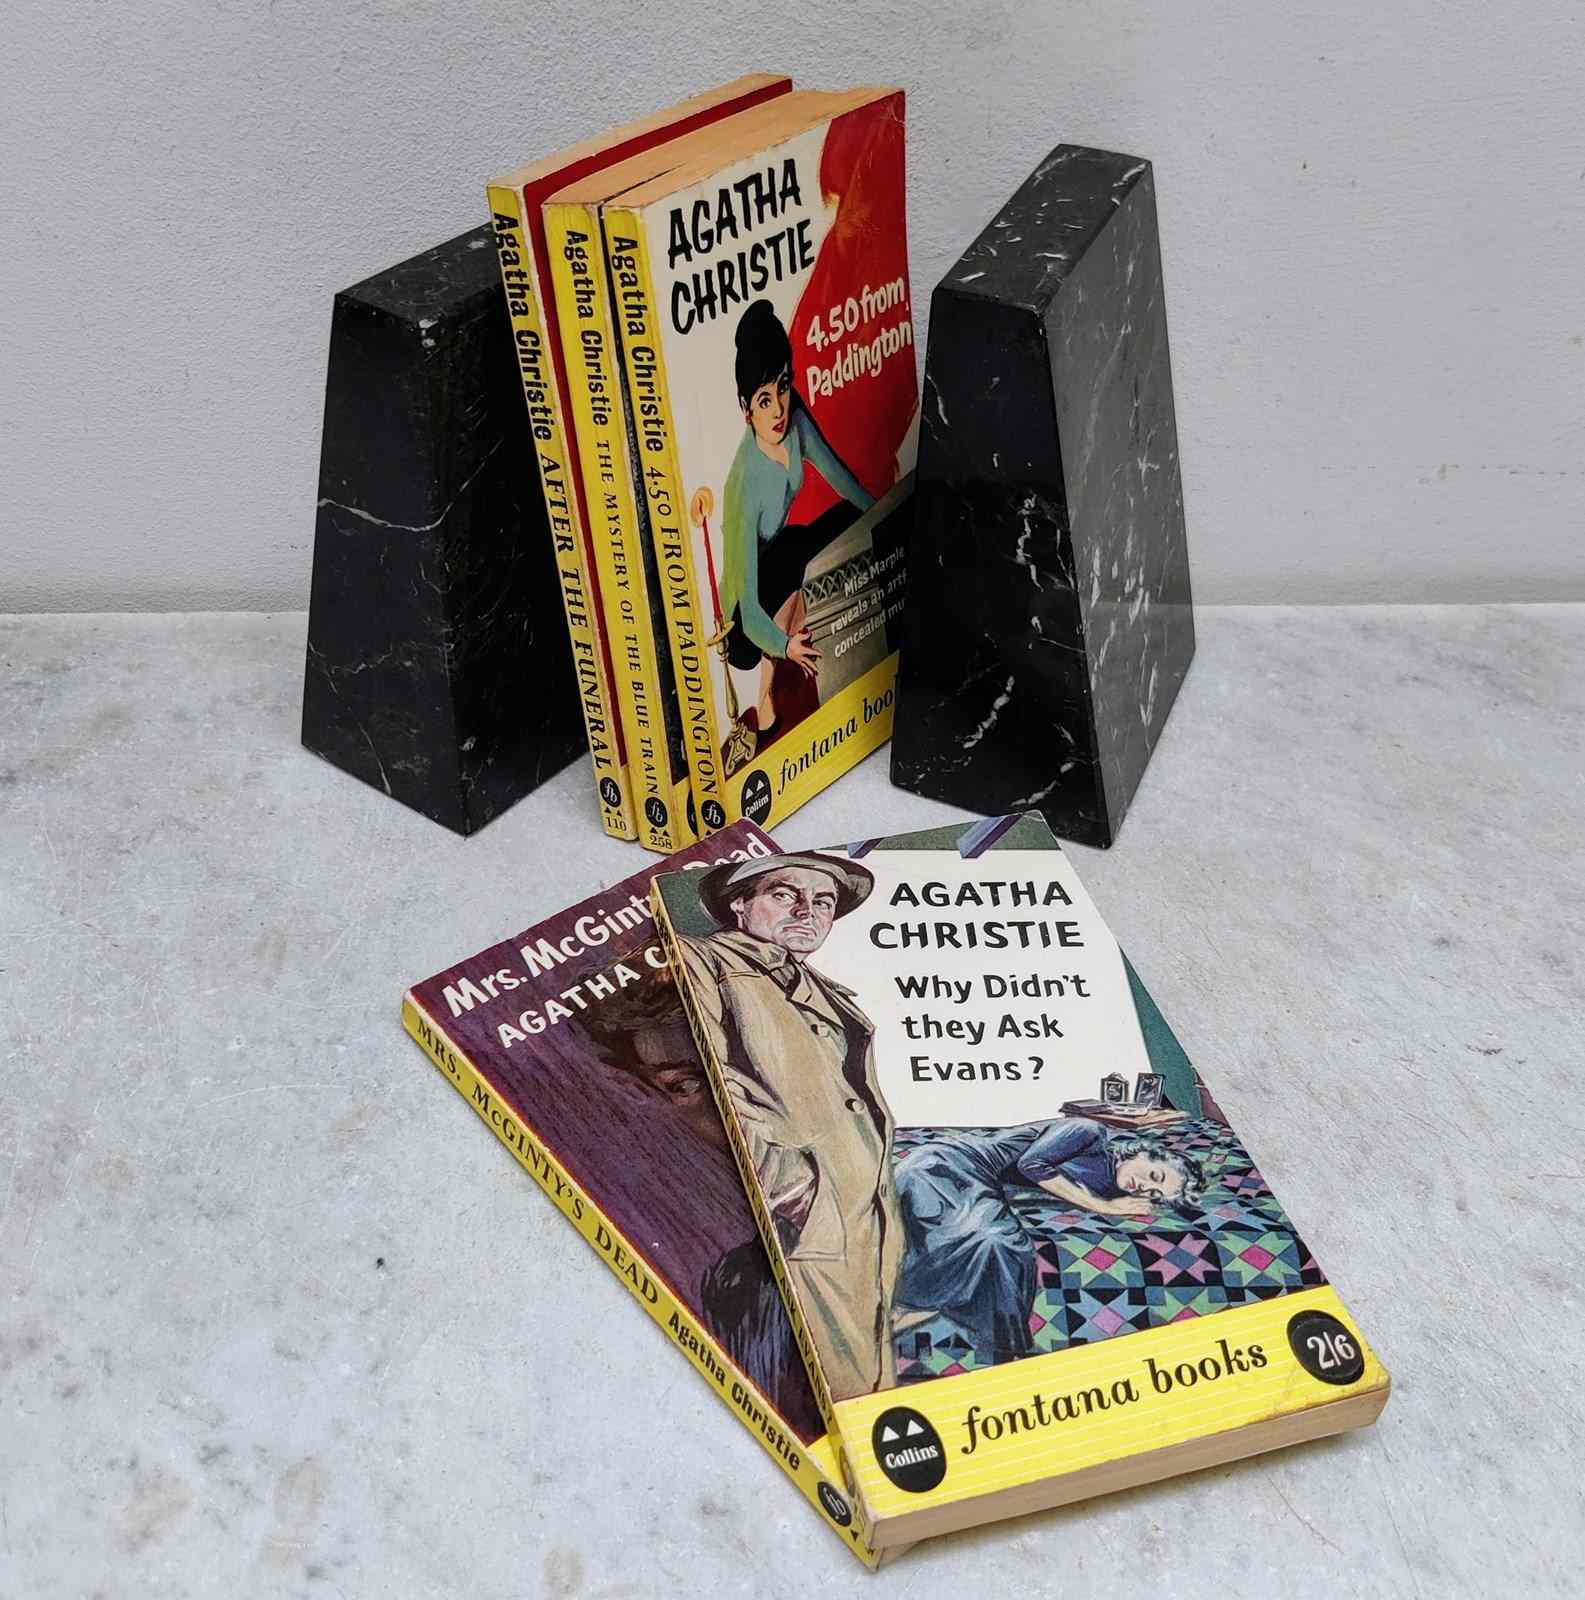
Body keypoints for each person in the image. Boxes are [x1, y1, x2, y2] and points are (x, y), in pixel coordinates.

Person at [673, 852, 902, 1402]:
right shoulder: (702, 960)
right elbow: (701, 1078)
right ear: (739, 905)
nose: (807, 912)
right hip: (803, 1212)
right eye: (784, 895)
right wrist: (791, 1187)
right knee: (835, 1383)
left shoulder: (822, 987)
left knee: (872, 1374)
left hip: (866, 1216)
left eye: (823, 902)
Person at [894, 1118, 1205, 1366]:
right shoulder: (1089, 1131)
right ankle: (1001, 1351)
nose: (1143, 1187)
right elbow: (1032, 1164)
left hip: (971, 1180)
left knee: (998, 1242)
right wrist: (1104, 1207)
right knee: (1000, 1241)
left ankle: (934, 1318)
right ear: (1143, 1153)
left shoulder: (1109, 1184)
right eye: (1154, 1176)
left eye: (1154, 1194)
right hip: (947, 1165)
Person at [718, 300, 875, 749]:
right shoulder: (743, 484)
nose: (778, 409)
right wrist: (785, 647)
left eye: (783, 387)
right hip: (743, 622)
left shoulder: (796, 420)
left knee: (848, 522)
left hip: (785, 559)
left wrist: (888, 515)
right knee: (794, 553)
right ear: (746, 407)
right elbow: (749, 607)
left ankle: (812, 625)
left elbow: (845, 483)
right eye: (763, 399)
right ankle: (765, 701)